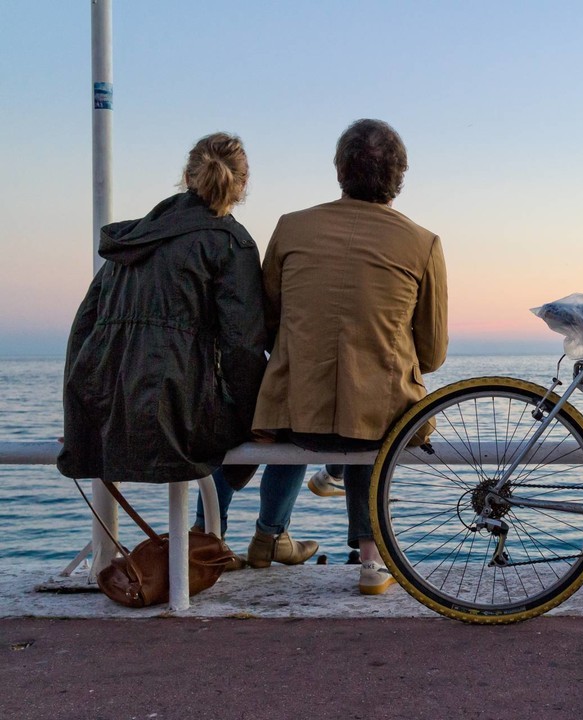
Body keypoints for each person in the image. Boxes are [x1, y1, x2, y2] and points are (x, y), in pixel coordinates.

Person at [249, 119, 448, 593]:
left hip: (291, 415)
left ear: (339, 170)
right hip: (374, 422)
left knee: (307, 405)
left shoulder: (291, 226)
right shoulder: (423, 243)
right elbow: (434, 353)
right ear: (399, 175)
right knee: (373, 415)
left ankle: (264, 538)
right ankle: (372, 562)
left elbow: (267, 318)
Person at [58, 133, 267, 500]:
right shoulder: (231, 243)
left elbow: (83, 331)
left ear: (187, 176)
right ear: (243, 185)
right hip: (180, 421)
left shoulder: (135, 238)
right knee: (288, 429)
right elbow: (242, 351)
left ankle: (207, 535)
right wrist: (259, 423)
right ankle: (242, 533)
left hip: (107, 417)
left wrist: (79, 420)